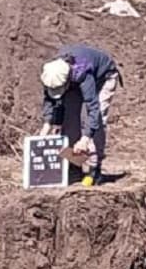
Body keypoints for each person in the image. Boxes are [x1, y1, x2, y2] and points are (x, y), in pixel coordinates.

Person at [39, 44, 122, 186]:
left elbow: (93, 107)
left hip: (103, 77)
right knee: (70, 118)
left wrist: (85, 138)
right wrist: (47, 126)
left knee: (96, 120)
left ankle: (94, 169)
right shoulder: (52, 74)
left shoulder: (82, 71)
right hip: (73, 82)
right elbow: (50, 100)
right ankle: (74, 165)